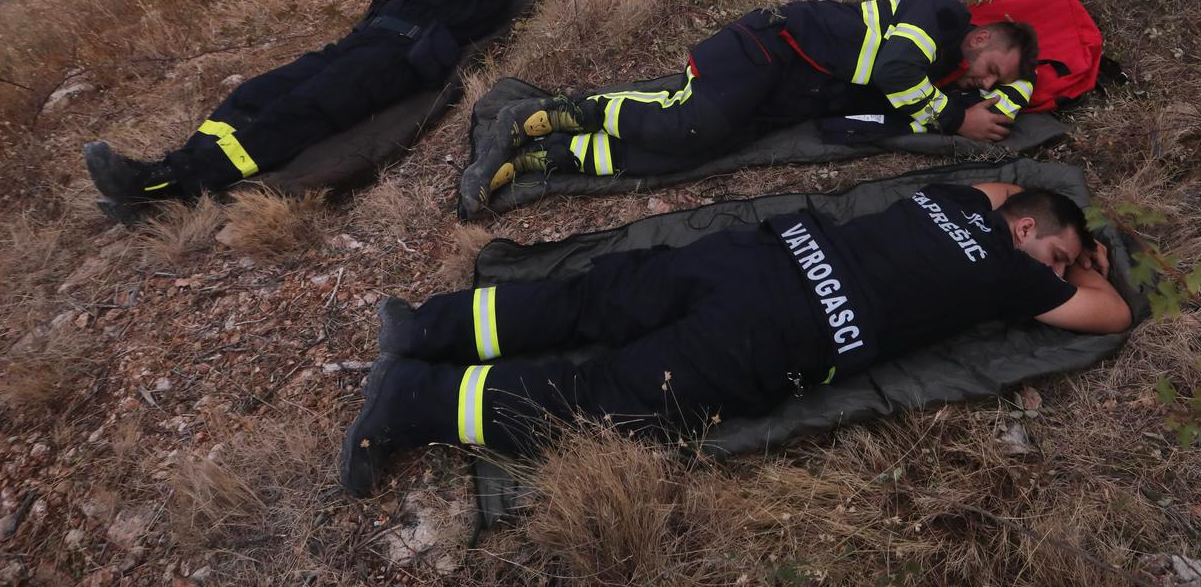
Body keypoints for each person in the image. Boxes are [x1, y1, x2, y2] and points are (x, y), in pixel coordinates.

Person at [339, 183, 1130, 496]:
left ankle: (426, 326)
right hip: (785, 327)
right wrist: (1092, 265)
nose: (1062, 274)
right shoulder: (1013, 274)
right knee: (605, 401)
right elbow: (1113, 314)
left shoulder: (954, 197)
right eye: (1060, 256)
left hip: (760, 254)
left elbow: (1006, 190)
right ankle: (413, 398)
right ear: (1023, 231)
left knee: (589, 302)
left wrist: (1058, 233)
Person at [469, 0, 1038, 204]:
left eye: (995, 82)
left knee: (681, 155)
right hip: (772, 48)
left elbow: (993, 97)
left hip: (790, 94)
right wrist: (955, 117)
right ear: (980, 38)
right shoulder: (941, 15)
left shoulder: (944, 71)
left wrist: (993, 91)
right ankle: (545, 114)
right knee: (689, 126)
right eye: (991, 69)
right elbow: (894, 71)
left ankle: (542, 158)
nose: (986, 84)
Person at [84, 0, 513, 221]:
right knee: (250, 95)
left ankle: (168, 181)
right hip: (349, 48)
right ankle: (170, 173)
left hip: (389, 62)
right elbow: (372, 20)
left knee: (294, 111)